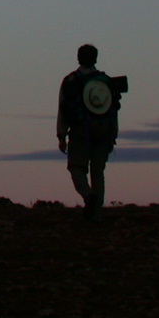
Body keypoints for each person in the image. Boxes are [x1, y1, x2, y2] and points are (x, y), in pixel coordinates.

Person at [56, 43, 117, 222]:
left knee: (76, 167)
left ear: (78, 58)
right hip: (104, 130)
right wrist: (113, 134)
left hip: (80, 130)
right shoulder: (105, 81)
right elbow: (113, 109)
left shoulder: (70, 80)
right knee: (98, 171)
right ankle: (96, 212)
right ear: (95, 58)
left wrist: (61, 135)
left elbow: (63, 108)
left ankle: (88, 196)